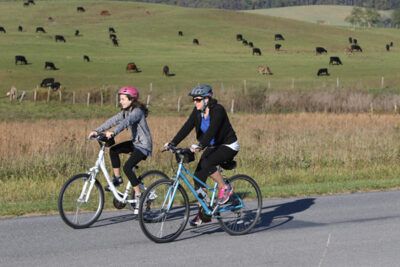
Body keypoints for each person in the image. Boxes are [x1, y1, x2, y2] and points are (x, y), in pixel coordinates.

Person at [165, 84, 239, 226]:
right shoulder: (197, 112)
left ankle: (225, 188)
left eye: (198, 99)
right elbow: (187, 127)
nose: (195, 102)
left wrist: (200, 145)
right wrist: (172, 143)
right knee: (198, 177)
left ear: (207, 99)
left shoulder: (218, 110)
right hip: (212, 146)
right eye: (194, 100)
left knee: (207, 164)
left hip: (228, 145)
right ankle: (204, 213)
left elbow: (212, 130)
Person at [88, 86, 152, 215]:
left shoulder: (137, 111)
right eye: (120, 99)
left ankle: (139, 196)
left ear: (131, 100)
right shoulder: (125, 111)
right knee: (113, 151)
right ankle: (117, 179)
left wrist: (113, 133)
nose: (121, 101)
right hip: (135, 143)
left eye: (123, 99)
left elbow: (126, 123)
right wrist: (97, 130)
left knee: (127, 167)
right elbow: (113, 120)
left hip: (144, 146)